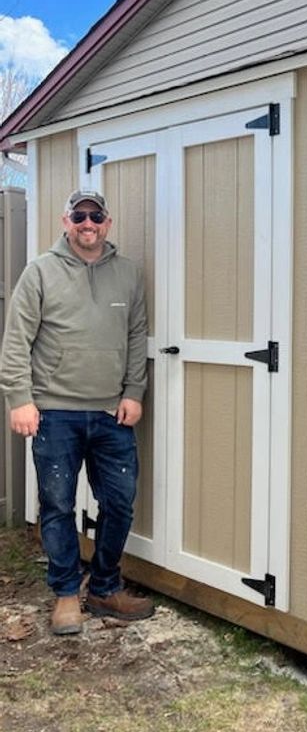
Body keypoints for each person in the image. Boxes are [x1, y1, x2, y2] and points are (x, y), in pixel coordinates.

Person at [0, 188, 153, 635]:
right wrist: (19, 399)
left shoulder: (128, 273)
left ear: (108, 222)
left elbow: (136, 335)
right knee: (58, 505)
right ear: (66, 222)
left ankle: (105, 588)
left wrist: (134, 390)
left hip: (112, 414)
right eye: (80, 216)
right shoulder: (40, 272)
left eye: (96, 216)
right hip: (54, 413)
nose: (89, 224)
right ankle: (67, 594)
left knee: (120, 504)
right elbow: (16, 340)